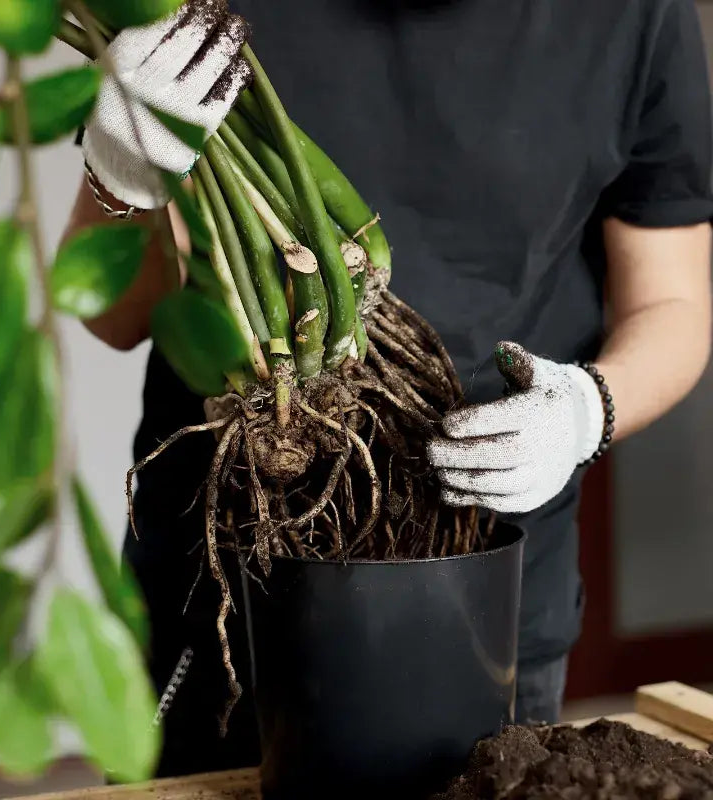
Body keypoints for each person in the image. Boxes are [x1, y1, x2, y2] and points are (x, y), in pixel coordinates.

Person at [65, 0, 713, 778]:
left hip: (489, 596)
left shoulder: (635, 15)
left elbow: (671, 304)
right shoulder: (199, 7)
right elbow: (115, 316)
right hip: (226, 598)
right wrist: (120, 181)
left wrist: (586, 411)